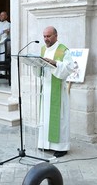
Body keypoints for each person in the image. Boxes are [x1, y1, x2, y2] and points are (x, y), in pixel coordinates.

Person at [37, 26, 74, 158]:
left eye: (48, 36)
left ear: (56, 36)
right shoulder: (42, 49)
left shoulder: (63, 50)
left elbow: (70, 68)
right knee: (45, 117)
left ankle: (61, 147)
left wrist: (56, 63)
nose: (46, 39)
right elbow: (39, 68)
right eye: (44, 36)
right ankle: (45, 144)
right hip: (45, 88)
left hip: (57, 89)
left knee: (59, 118)